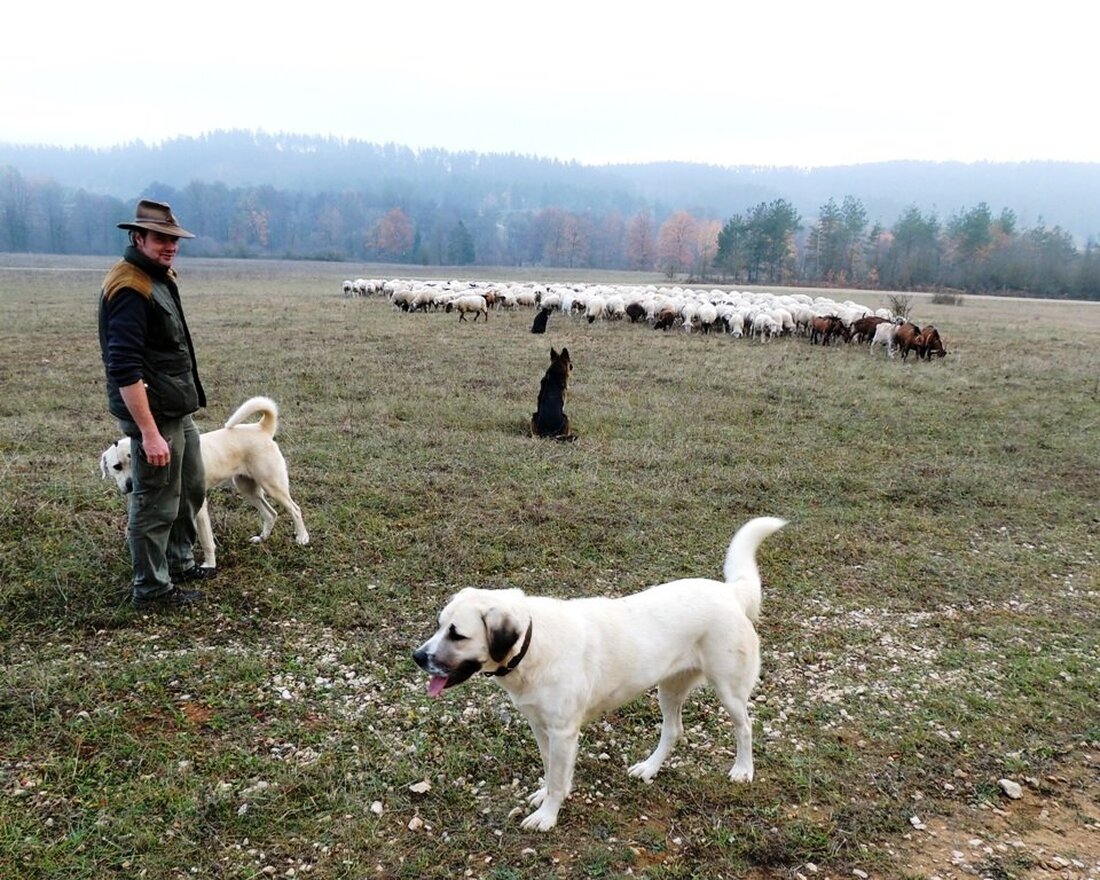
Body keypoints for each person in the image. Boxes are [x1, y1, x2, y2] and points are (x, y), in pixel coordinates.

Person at [98, 199, 215, 610]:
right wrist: (148, 433)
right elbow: (124, 366)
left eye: (173, 239)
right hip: (154, 412)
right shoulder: (130, 287)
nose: (170, 246)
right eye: (161, 238)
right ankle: (152, 589)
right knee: (155, 499)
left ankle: (179, 562)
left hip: (174, 405)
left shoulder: (157, 276)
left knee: (191, 485)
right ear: (138, 238)